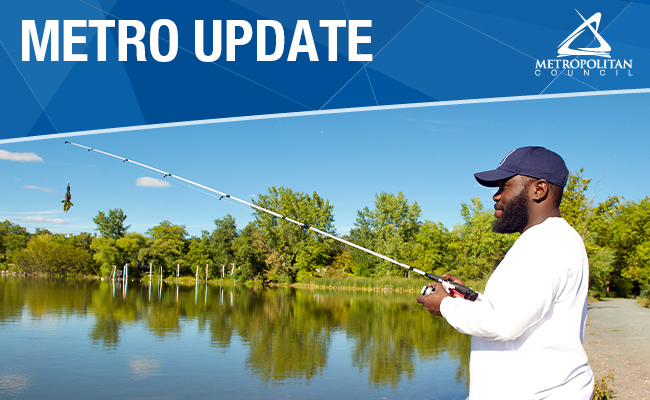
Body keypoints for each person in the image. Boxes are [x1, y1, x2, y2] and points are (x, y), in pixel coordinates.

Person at [417, 146, 593, 399]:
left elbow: (503, 324)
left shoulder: (545, 243)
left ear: (539, 190)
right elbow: (517, 310)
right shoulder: (556, 238)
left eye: (504, 186)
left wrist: (444, 305)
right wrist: (467, 296)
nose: (496, 196)